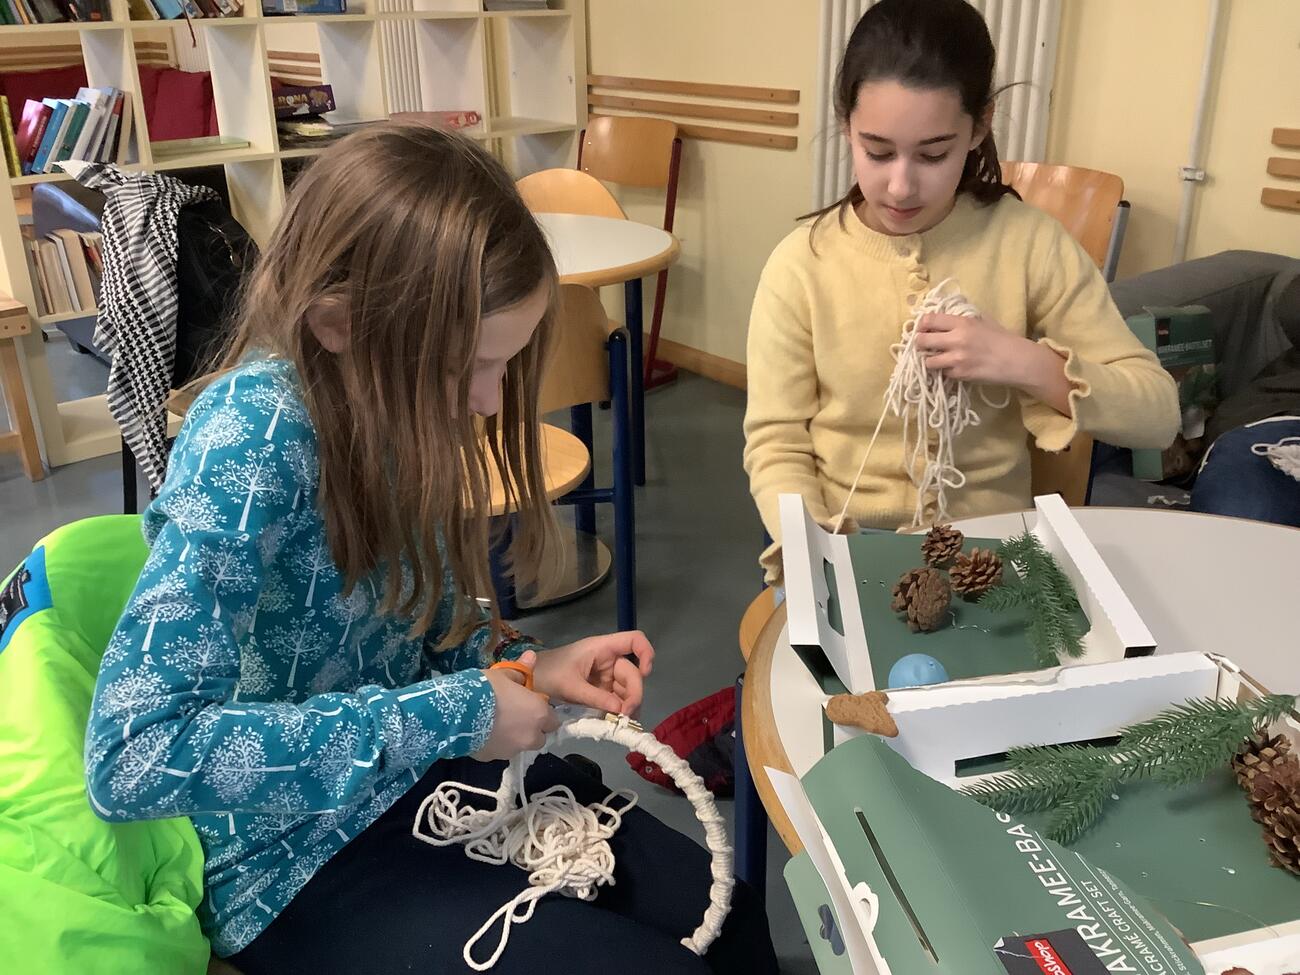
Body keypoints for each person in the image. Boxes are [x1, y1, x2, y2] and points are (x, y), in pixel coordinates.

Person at [85, 123, 777, 975]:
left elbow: (424, 635)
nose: (487, 401)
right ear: (339, 324)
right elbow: (133, 755)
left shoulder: (394, 413)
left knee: (733, 915)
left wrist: (530, 668)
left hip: (418, 775)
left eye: (502, 364)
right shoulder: (251, 439)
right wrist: (460, 714)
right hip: (290, 859)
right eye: (466, 368)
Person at [743, 0, 1179, 582]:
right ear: (846, 124)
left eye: (933, 154)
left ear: (980, 126)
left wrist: (1024, 362)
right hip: (844, 551)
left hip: (990, 555)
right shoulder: (802, 264)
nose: (900, 185)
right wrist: (813, 552)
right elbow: (777, 445)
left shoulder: (1027, 243)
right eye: (876, 151)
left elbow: (1158, 415)